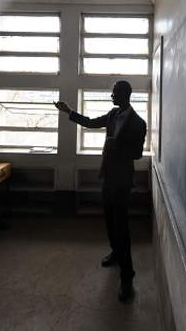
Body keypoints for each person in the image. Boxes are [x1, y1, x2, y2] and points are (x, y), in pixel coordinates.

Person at [54, 80, 146, 301]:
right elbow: (92, 123)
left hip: (122, 182)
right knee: (108, 220)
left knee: (121, 226)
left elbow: (137, 154)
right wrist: (69, 112)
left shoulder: (138, 123)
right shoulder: (113, 115)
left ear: (126, 94)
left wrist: (119, 147)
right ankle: (115, 252)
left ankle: (127, 276)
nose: (111, 96)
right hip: (108, 177)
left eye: (114, 93)